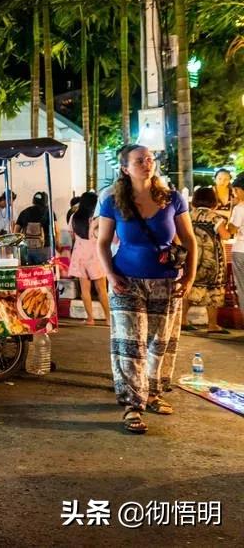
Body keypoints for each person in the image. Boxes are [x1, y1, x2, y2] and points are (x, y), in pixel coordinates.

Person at [97, 144, 197, 434]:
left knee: (158, 342)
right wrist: (110, 274)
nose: (147, 163)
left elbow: (189, 239)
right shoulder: (113, 201)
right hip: (126, 281)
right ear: (125, 168)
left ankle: (152, 393)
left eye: (150, 159)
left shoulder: (172, 198)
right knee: (131, 344)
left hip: (166, 281)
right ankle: (132, 405)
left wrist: (189, 277)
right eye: (139, 160)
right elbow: (102, 242)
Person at [182, 187, 231, 334]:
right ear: (213, 201)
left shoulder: (189, 215)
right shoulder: (215, 217)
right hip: (211, 261)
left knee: (190, 287)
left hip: (192, 259)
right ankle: (212, 325)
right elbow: (225, 235)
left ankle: (183, 321)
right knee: (214, 290)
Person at [68, 192, 111, 326]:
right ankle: (108, 319)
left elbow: (71, 235)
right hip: (95, 255)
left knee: (84, 290)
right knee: (101, 289)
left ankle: (90, 319)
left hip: (80, 255)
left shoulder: (74, 217)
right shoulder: (97, 218)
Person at [15, 192, 56, 265]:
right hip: (44, 248)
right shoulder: (49, 212)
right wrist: (57, 244)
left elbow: (16, 232)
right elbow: (56, 230)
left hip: (26, 249)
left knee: (28, 270)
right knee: (43, 270)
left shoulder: (24, 212)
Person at [229, 174, 244, 323]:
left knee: (243, 288)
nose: (234, 194)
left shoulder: (240, 208)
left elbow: (232, 230)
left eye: (236, 190)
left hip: (241, 250)